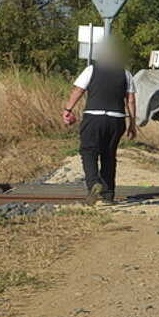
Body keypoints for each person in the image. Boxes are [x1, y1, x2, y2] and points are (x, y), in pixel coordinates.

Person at [61, 40, 136, 204]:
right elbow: (130, 100)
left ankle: (94, 182)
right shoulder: (125, 73)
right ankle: (108, 195)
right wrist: (132, 124)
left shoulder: (91, 70)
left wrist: (68, 109)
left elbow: (78, 90)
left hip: (94, 117)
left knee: (88, 151)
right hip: (117, 119)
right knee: (109, 155)